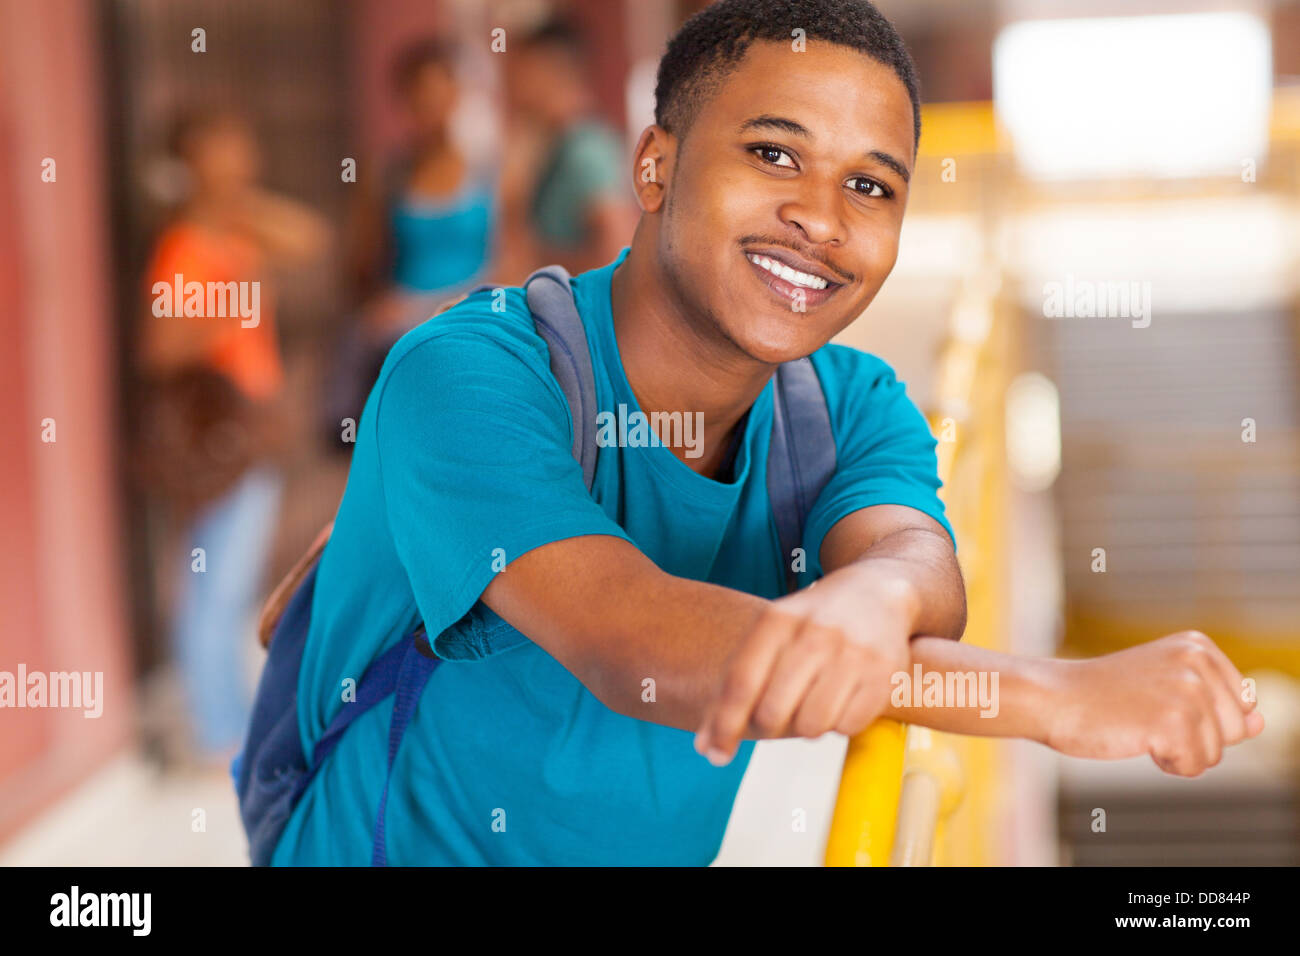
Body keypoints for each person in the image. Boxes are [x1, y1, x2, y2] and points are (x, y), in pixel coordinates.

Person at [271, 0, 1262, 865]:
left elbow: (918, 564)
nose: (821, 220)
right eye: (774, 153)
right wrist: (1058, 698)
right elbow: (637, 643)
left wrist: (871, 596)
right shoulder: (472, 372)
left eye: (870, 185)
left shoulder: (848, 401)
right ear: (655, 165)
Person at [139, 106, 328, 764]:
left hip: (254, 429)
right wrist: (228, 298)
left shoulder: (236, 231)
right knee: (215, 581)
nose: (239, 160)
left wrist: (239, 206)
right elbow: (161, 347)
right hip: (218, 436)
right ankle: (215, 732)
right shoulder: (186, 246)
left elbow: (312, 239)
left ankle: (226, 723)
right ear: (192, 161)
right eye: (223, 150)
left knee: (233, 577)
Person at [328, 38, 500, 439]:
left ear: (458, 95)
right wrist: (376, 305)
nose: (433, 110)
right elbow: (360, 261)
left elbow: (511, 257)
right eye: (421, 98)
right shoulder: (387, 176)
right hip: (402, 327)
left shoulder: (490, 172)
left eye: (441, 94)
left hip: (472, 313)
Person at [497, 16, 638, 280]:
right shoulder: (556, 146)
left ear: (548, 69)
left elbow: (618, 252)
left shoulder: (586, 149)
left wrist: (548, 270)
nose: (510, 87)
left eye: (517, 72)